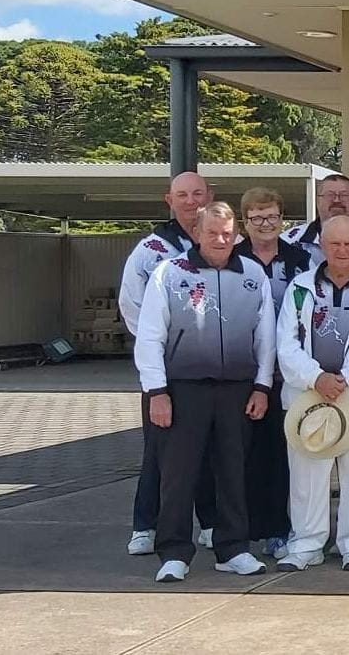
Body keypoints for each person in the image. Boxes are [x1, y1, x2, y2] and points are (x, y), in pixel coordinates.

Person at [134, 202, 275, 582]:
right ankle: (175, 552)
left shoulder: (253, 274)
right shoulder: (169, 273)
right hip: (182, 391)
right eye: (212, 232)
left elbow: (266, 339)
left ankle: (233, 549)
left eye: (227, 234)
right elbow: (149, 336)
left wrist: (262, 386)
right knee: (178, 475)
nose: (220, 240)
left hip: (237, 391)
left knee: (234, 473)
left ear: (236, 235)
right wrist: (157, 391)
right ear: (197, 233)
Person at [274, 215, 349, 572]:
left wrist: (344, 378)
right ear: (322, 247)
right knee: (307, 472)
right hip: (309, 397)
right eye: (334, 244)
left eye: (348, 244)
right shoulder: (300, 286)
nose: (341, 251)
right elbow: (287, 343)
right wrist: (317, 379)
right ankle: (306, 544)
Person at [120, 171, 212, 556]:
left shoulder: (225, 243)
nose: (190, 201)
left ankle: (210, 521)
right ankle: (146, 524)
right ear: (169, 200)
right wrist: (165, 352)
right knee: (161, 450)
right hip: (166, 370)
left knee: (211, 447)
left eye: (197, 193)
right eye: (182, 195)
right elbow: (132, 306)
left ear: (209, 196)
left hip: (214, 368)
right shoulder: (151, 250)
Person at [232, 187, 313, 559]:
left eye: (273, 217)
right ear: (244, 221)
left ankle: (280, 529)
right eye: (257, 218)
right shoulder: (230, 260)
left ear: (283, 219)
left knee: (282, 456)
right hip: (242, 373)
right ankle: (241, 528)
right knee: (243, 455)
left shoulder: (301, 260)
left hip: (289, 374)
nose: (266, 224)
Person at [284, 174, 349, 267]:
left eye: (344, 195)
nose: (337, 200)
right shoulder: (289, 242)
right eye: (329, 195)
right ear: (317, 200)